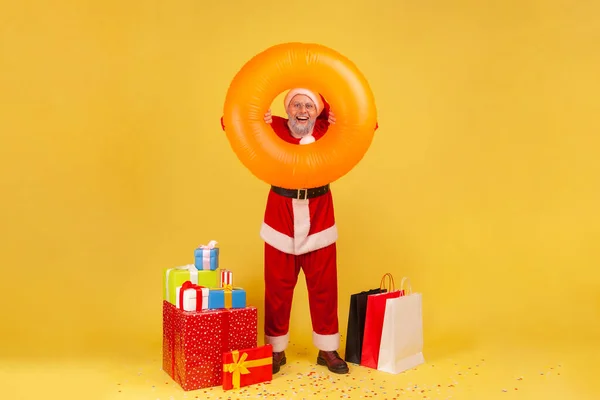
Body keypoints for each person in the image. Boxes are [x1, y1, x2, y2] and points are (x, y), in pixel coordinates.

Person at [259, 88, 349, 375]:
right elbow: (229, 120)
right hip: (280, 216)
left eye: (309, 105)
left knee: (324, 286)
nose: (302, 110)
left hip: (320, 215)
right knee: (277, 288)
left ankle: (327, 349)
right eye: (296, 104)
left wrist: (331, 108)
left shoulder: (326, 128)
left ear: (317, 111)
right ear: (287, 109)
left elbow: (367, 122)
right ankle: (275, 350)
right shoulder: (273, 126)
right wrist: (256, 115)